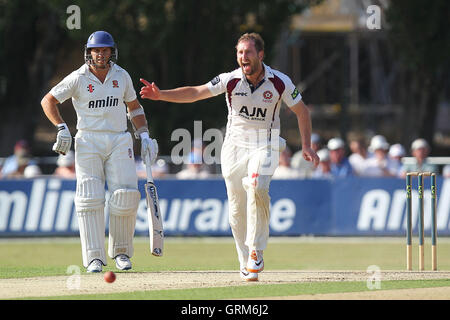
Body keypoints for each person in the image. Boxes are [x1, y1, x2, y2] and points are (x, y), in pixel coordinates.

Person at [139, 32, 319, 281]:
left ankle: (256, 250)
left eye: (248, 52)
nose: (243, 57)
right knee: (236, 209)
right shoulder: (231, 80)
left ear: (260, 55)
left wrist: (307, 145)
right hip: (234, 147)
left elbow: (302, 112)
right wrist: (162, 95)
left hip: (266, 144)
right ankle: (245, 261)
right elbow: (196, 92)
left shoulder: (280, 82)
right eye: (239, 52)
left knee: (256, 185)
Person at [40, 31, 158, 273]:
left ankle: (122, 253)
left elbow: (134, 108)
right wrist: (61, 128)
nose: (101, 54)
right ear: (89, 52)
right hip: (88, 141)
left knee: (125, 195)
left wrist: (144, 134)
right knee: (90, 199)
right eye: (97, 50)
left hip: (118, 139)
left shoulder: (121, 75)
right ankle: (94, 257)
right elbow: (48, 101)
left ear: (111, 52)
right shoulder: (78, 77)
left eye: (105, 50)